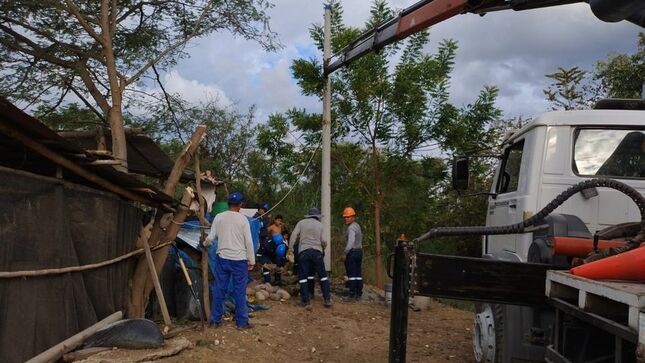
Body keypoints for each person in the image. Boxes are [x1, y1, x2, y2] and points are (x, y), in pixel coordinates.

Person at [205, 192, 255, 330]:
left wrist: (205, 244)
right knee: (239, 291)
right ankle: (241, 322)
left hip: (223, 259)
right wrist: (251, 260)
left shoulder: (219, 217)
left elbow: (210, 238)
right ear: (240, 205)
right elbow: (249, 242)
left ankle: (215, 321)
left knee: (219, 289)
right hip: (239, 260)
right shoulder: (243, 220)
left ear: (228, 204)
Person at [289, 208, 332, 308]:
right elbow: (324, 241)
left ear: (308, 215)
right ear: (317, 216)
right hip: (317, 252)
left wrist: (290, 248)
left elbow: (294, 235)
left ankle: (305, 300)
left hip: (304, 251)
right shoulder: (320, 225)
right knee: (323, 276)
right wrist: (322, 248)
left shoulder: (301, 223)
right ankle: (327, 299)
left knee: (303, 277)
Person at [342, 207, 363, 300]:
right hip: (359, 252)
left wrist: (345, 253)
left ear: (353, 217)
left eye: (348, 217)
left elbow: (351, 242)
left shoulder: (351, 228)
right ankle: (359, 292)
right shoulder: (357, 226)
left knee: (352, 274)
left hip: (353, 252)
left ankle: (351, 294)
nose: (346, 218)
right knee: (358, 274)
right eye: (345, 217)